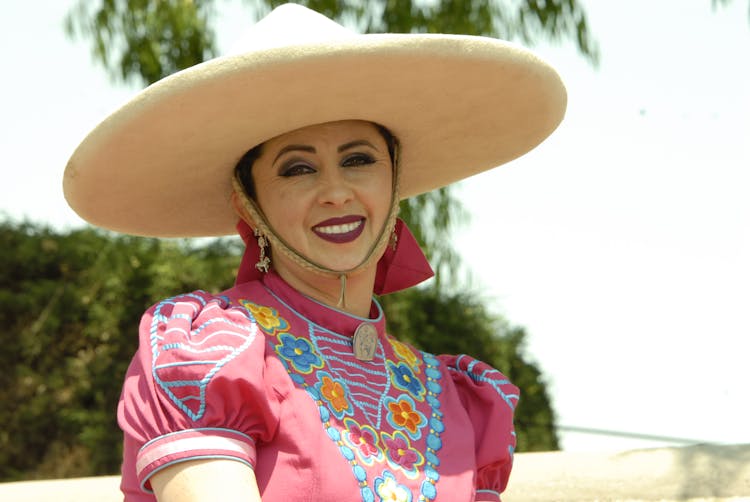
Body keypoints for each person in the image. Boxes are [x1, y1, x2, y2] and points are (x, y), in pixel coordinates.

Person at [63, 4, 566, 502]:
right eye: (297, 169)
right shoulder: (207, 354)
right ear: (248, 201)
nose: (336, 191)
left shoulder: (458, 399)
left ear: (395, 183)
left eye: (359, 160)